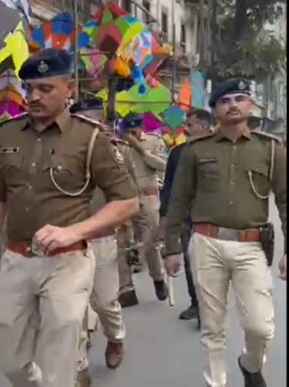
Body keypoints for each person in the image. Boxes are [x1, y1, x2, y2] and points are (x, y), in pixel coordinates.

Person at [0, 49, 139, 387]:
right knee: (12, 360)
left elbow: (127, 201)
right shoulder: (7, 133)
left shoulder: (90, 138)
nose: (34, 96)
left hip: (68, 262)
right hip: (17, 260)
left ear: (69, 90)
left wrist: (74, 231)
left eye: (45, 88)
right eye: (29, 88)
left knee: (60, 355)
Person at [164, 78, 287, 387]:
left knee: (260, 326)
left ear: (250, 105)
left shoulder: (270, 149)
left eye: (239, 98)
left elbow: (285, 199)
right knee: (212, 327)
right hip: (207, 243)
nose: (233, 104)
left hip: (251, 245)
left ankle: (250, 363)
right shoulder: (195, 150)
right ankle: (214, 382)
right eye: (225, 100)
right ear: (215, 110)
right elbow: (179, 199)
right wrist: (170, 248)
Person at [69, 98, 134, 385]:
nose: (88, 126)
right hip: (69, 240)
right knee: (74, 308)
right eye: (81, 120)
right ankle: (79, 364)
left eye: (94, 120)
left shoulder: (118, 152)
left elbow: (127, 196)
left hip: (103, 237)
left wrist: (126, 231)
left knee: (105, 302)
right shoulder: (60, 151)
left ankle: (116, 337)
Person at [159, 108, 212, 326]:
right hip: (184, 216)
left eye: (190, 125)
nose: (186, 129)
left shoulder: (217, 151)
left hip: (210, 217)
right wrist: (164, 214)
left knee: (208, 264)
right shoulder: (178, 153)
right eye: (186, 125)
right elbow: (169, 185)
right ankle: (196, 303)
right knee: (191, 262)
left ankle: (208, 305)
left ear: (204, 126)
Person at [121, 112, 168, 300]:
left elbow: (162, 165)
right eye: (128, 130)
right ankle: (126, 289)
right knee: (122, 244)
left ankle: (157, 278)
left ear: (142, 127)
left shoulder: (154, 142)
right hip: (125, 198)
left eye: (135, 129)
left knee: (150, 242)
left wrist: (140, 149)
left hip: (147, 199)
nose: (132, 133)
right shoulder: (119, 145)